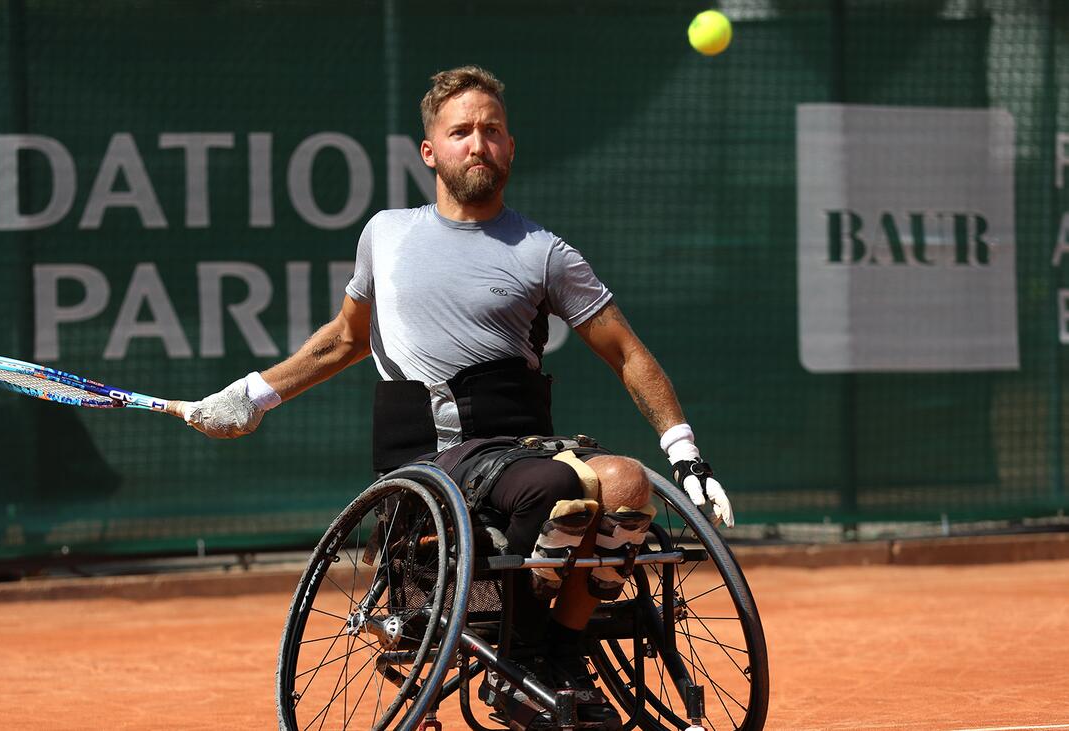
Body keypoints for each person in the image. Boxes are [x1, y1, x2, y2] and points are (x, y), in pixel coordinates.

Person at [182, 65, 733, 729]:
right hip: (432, 464)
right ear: (431, 151)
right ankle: (525, 662)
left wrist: (686, 454)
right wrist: (250, 396)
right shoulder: (385, 235)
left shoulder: (545, 252)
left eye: (492, 131)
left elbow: (626, 351)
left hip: (519, 451)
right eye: (461, 131)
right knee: (553, 487)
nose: (478, 143)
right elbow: (342, 342)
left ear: (510, 147)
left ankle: (556, 652)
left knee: (623, 482)